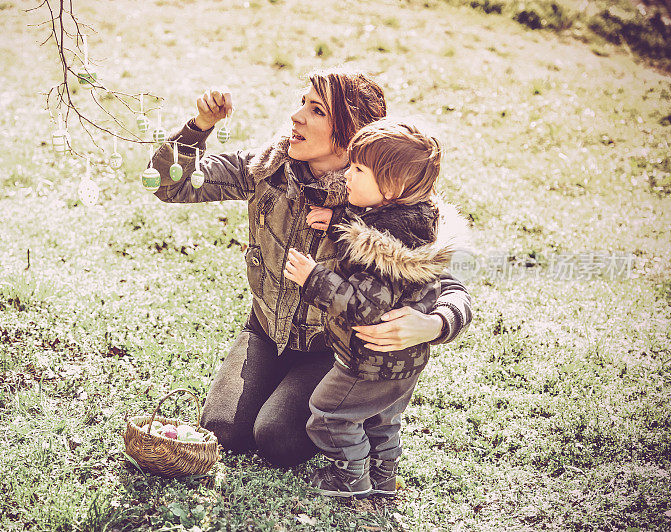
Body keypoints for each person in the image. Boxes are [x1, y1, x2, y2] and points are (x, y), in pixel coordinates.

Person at [149, 69, 472, 467]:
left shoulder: (385, 199)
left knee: (277, 440)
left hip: (334, 351)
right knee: (223, 431)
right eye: (302, 103)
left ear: (353, 134)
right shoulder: (266, 169)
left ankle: (347, 416)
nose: (296, 116)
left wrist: (435, 324)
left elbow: (449, 284)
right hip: (267, 331)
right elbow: (168, 184)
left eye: (315, 109)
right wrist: (199, 127)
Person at [284, 119, 467, 497]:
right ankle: (384, 480)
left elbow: (363, 306)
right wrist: (338, 223)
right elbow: (370, 224)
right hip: (405, 361)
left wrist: (313, 277)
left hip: (369, 360)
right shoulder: (412, 223)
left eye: (358, 169)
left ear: (393, 187)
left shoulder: (385, 250)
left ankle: (350, 480)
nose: (347, 175)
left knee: (328, 413)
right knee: (383, 420)